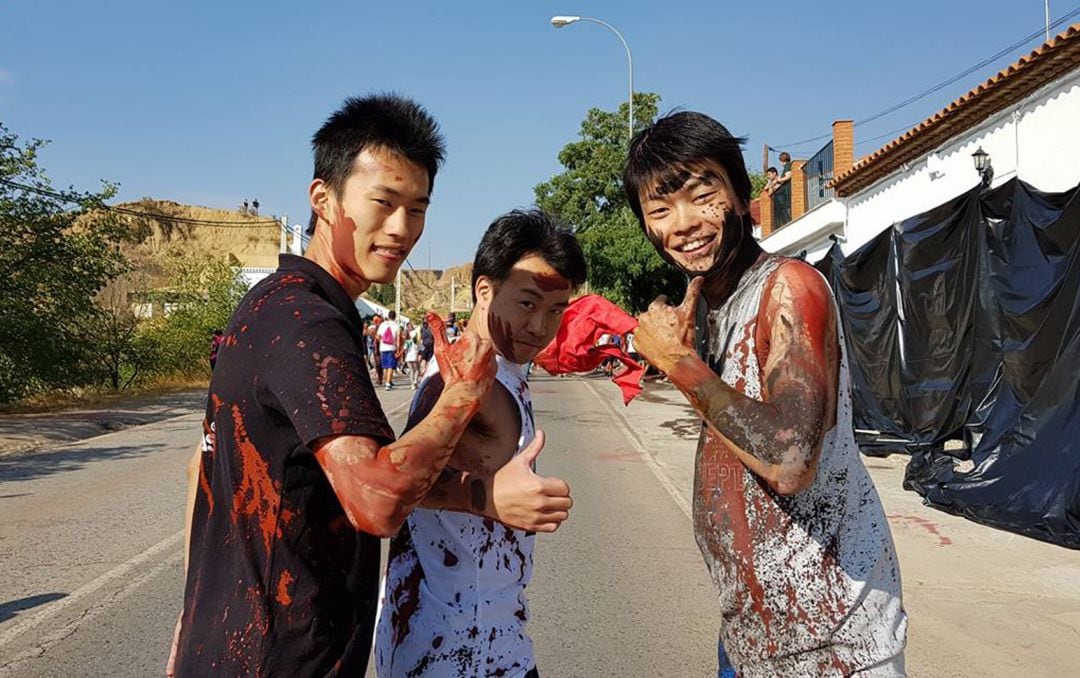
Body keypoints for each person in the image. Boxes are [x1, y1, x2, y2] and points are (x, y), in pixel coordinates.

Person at [169, 94, 501, 677]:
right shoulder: (308, 324)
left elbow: (208, 473)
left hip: (227, 645)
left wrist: (188, 622)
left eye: (418, 208)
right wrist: (463, 394)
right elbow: (375, 500)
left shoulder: (272, 304)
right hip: (279, 660)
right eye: (384, 202)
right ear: (323, 199)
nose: (402, 229)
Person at [625, 112, 906, 676]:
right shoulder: (709, 303)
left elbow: (789, 457)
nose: (683, 224)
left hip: (831, 645)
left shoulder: (790, 287)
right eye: (660, 210)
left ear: (742, 194)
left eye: (702, 194)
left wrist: (678, 364)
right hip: (756, 637)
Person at [376, 208, 586, 678]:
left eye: (556, 310)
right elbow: (387, 487)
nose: (540, 327)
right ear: (484, 291)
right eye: (527, 304)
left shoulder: (499, 368)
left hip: (468, 634)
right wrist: (485, 497)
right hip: (462, 649)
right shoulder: (464, 385)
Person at [379, 310, 402, 390]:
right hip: (392, 348)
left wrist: (382, 342)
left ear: (388, 316)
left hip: (383, 348)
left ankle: (387, 381)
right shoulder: (396, 326)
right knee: (391, 366)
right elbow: (398, 338)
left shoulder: (382, 325)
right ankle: (388, 383)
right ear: (395, 317)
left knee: (385, 366)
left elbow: (378, 336)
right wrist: (398, 349)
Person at [404, 322, 421, 389]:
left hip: (408, 357)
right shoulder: (417, 342)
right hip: (415, 356)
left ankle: (412, 384)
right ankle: (415, 381)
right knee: (417, 370)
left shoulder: (407, 341)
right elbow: (421, 348)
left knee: (411, 370)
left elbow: (405, 350)